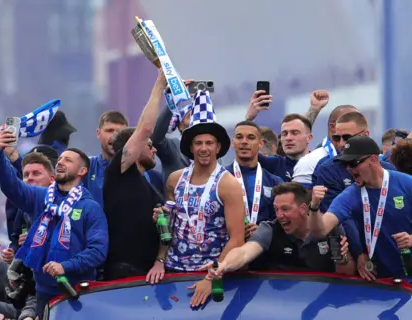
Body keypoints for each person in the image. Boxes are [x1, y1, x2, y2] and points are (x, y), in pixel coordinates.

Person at [308, 136, 412, 302]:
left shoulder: (409, 184)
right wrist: (314, 207)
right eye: (346, 165)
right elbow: (320, 230)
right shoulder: (351, 195)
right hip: (376, 280)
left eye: (353, 163)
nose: (349, 169)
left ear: (373, 159)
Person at [0, 131, 108, 318]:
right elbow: (11, 186)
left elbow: (98, 251)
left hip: (79, 295)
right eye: (60, 159)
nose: (60, 162)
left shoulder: (90, 208)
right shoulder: (41, 198)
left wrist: (66, 266)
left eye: (68, 160)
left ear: (82, 171)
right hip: (44, 296)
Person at [163, 89, 245, 307]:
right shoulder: (174, 179)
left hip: (212, 276)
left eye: (209, 143)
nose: (203, 148)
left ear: (218, 147)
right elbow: (167, 228)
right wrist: (158, 261)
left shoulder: (228, 185)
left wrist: (211, 278)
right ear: (190, 147)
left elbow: (237, 240)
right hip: (173, 272)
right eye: (198, 143)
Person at [203, 182, 355, 275]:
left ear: (303, 208)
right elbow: (244, 252)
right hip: (281, 304)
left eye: (285, 209)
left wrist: (342, 259)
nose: (280, 215)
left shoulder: (330, 228)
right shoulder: (270, 228)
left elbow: (346, 274)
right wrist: (224, 265)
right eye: (276, 209)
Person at [103, 70, 168, 282]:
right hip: (122, 274)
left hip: (150, 275)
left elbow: (164, 231)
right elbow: (146, 128)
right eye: (149, 145)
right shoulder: (118, 173)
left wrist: (160, 259)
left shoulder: (152, 186)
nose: (154, 150)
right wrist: (159, 86)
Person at [225, 120, 283, 239]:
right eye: (239, 137)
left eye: (251, 138)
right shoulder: (220, 179)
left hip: (265, 250)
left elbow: (284, 219)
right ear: (232, 143)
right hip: (229, 249)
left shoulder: (275, 182)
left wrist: (265, 230)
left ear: (260, 143)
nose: (244, 142)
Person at [5, 148, 57, 263]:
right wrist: (13, 251)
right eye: (26, 175)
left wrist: (35, 239)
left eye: (36, 174)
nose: (30, 178)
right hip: (34, 275)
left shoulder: (66, 204)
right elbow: (15, 238)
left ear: (52, 180)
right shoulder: (23, 208)